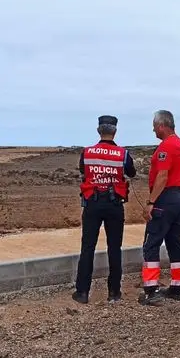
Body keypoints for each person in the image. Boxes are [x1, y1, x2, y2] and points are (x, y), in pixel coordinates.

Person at [72, 115, 137, 304]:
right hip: (114, 205)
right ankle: (114, 293)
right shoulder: (122, 154)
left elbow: (83, 172)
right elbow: (131, 172)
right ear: (114, 131)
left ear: (98, 130)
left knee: (88, 248)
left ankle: (82, 293)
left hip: (92, 203)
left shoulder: (87, 152)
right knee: (114, 248)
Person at [138, 110, 180, 306]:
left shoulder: (166, 148)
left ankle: (151, 290)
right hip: (179, 197)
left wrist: (151, 202)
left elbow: (162, 176)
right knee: (175, 242)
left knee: (151, 243)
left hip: (165, 199)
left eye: (154, 125)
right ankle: (178, 287)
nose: (153, 129)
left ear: (161, 125)